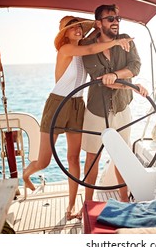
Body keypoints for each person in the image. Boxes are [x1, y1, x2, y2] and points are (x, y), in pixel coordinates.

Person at [22, 15, 133, 221]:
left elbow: (94, 41)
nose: (78, 30)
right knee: (44, 161)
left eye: (80, 27)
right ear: (63, 33)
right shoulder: (65, 50)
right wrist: (117, 40)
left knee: (73, 159)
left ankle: (71, 206)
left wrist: (106, 26)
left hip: (77, 105)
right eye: (72, 28)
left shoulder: (83, 47)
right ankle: (26, 174)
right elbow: (91, 49)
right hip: (57, 104)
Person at [81, 4, 148, 203]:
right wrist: (131, 86)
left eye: (118, 18)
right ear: (98, 23)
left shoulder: (126, 39)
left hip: (121, 108)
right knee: (93, 159)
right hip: (96, 110)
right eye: (110, 19)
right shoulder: (88, 46)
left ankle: (124, 201)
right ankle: (88, 203)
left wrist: (116, 75)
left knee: (122, 156)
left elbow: (135, 66)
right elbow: (100, 77)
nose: (116, 22)